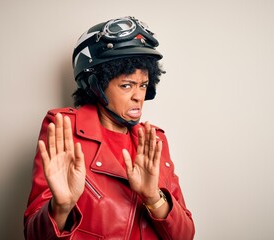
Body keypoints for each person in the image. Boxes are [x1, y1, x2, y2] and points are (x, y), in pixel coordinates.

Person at [24, 16, 195, 239]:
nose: (138, 97)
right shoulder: (63, 129)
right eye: (126, 85)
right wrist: (61, 207)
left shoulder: (155, 140)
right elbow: (34, 236)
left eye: (143, 85)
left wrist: (154, 198)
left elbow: (185, 235)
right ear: (96, 85)